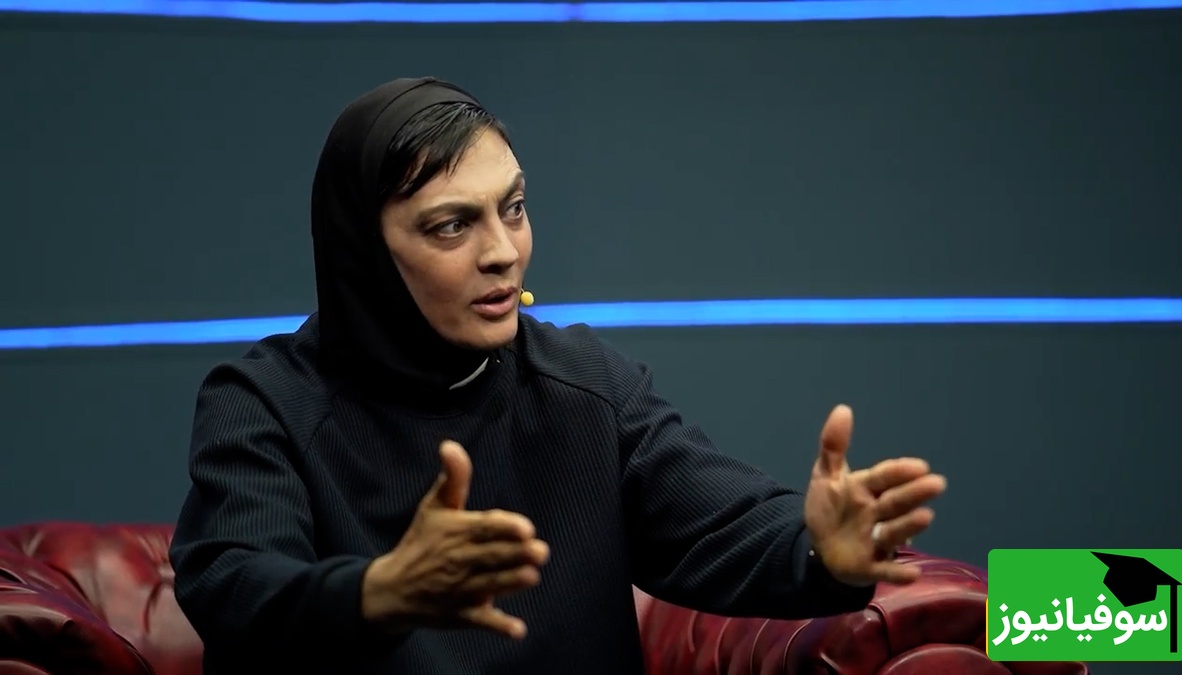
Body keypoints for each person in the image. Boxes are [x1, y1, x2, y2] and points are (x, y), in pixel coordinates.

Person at [168, 76, 947, 675]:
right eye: (452, 225)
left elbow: (727, 523)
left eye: (512, 208)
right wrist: (381, 592)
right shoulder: (264, 402)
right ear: (363, 254)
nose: (503, 251)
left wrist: (820, 548)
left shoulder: (582, 384)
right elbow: (235, 591)